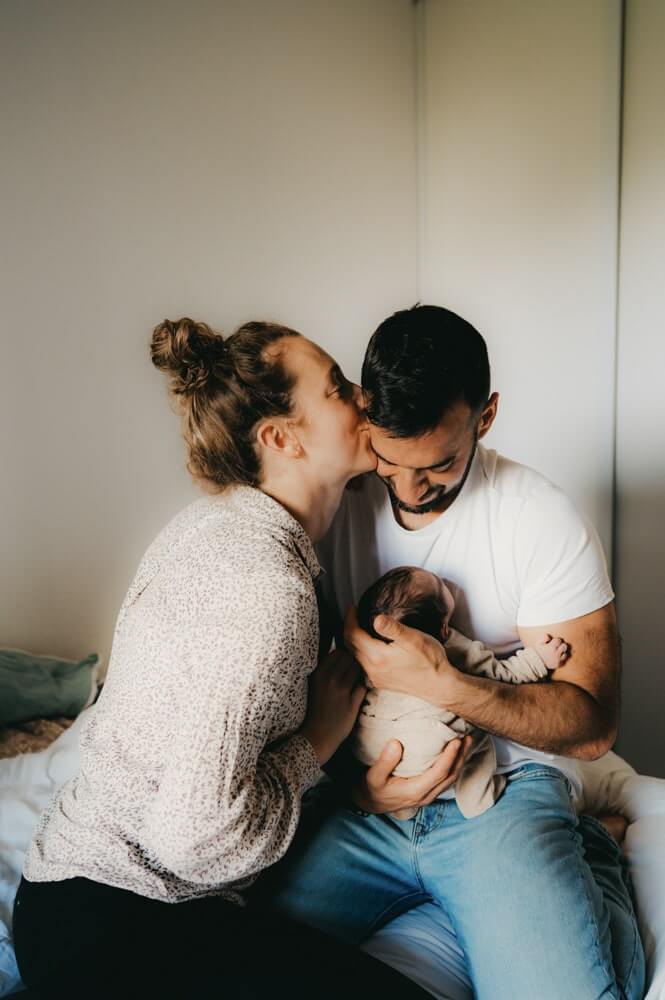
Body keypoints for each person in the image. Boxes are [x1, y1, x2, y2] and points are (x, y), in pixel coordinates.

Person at [12, 318, 431, 1000]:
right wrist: (317, 742)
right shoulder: (267, 587)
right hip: (121, 915)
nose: (363, 397)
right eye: (335, 389)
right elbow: (194, 841)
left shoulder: (219, 523)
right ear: (279, 438)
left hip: (67, 897)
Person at [265, 305, 645, 1000]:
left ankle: (586, 848)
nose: (408, 491)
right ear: (362, 414)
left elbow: (592, 728)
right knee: (238, 952)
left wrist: (449, 687)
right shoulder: (332, 505)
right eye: (388, 460)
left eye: (438, 464)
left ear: (486, 415)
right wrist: (355, 792)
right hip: (370, 805)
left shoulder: (538, 517)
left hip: (501, 793)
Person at [353, 564, 568, 820]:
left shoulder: (371, 652)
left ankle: (402, 807)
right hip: (433, 744)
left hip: (372, 747)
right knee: (478, 725)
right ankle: (478, 798)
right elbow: (504, 677)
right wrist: (539, 659)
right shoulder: (456, 648)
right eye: (439, 584)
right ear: (444, 629)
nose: (441, 578)